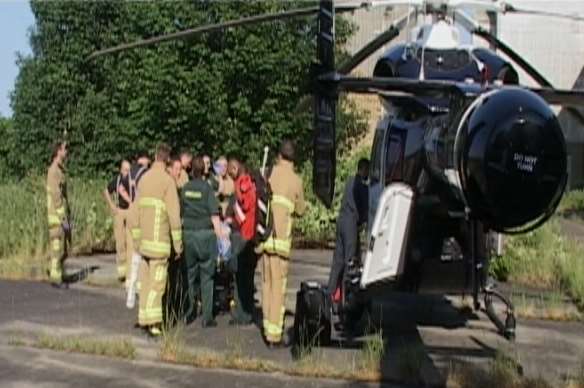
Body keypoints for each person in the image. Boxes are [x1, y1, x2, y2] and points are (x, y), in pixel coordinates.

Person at [130, 143, 183, 337]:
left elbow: (134, 213)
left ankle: (144, 319)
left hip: (143, 245)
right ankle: (153, 323)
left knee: (145, 283)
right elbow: (174, 217)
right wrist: (178, 246)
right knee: (157, 284)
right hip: (160, 245)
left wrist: (136, 241)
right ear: (168, 160)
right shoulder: (167, 182)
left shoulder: (143, 180)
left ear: (154, 156)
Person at [261, 140, 305, 346]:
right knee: (278, 289)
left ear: (279, 155)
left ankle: (266, 324)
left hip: (265, 240)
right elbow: (300, 209)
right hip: (281, 244)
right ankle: (274, 334)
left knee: (266, 285)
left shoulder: (268, 173)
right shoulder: (296, 181)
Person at [181, 156, 224, 327]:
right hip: (205, 236)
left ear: (191, 170)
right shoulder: (207, 189)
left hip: (189, 235)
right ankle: (207, 317)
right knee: (207, 277)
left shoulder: (185, 189)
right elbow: (215, 215)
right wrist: (221, 239)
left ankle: (189, 312)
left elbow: (181, 212)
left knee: (190, 276)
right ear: (204, 170)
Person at [327, 158, 370, 301]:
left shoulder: (349, 182)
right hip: (351, 223)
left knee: (337, 261)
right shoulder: (361, 187)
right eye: (367, 171)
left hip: (341, 221)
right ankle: (346, 298)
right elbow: (364, 210)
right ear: (364, 170)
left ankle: (330, 294)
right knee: (349, 262)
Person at [226, 156, 257, 326]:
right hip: (251, 236)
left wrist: (230, 218)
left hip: (241, 235)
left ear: (235, 168)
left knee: (239, 276)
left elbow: (238, 212)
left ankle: (240, 314)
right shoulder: (252, 185)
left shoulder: (241, 186)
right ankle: (248, 311)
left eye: (230, 170)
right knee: (248, 277)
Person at [103, 160, 132, 282]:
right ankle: (121, 271)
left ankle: (130, 269)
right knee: (120, 240)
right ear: (121, 170)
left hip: (130, 212)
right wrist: (112, 206)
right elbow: (106, 191)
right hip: (120, 211)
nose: (127, 172)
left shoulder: (132, 181)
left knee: (129, 240)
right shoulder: (117, 180)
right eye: (125, 169)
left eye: (128, 170)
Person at [46, 141, 70, 288]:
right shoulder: (53, 171)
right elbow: (56, 195)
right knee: (57, 248)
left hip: (60, 216)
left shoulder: (60, 170)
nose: (66, 152)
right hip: (56, 217)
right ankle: (56, 278)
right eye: (64, 149)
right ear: (58, 151)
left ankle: (58, 273)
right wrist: (62, 216)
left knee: (62, 248)